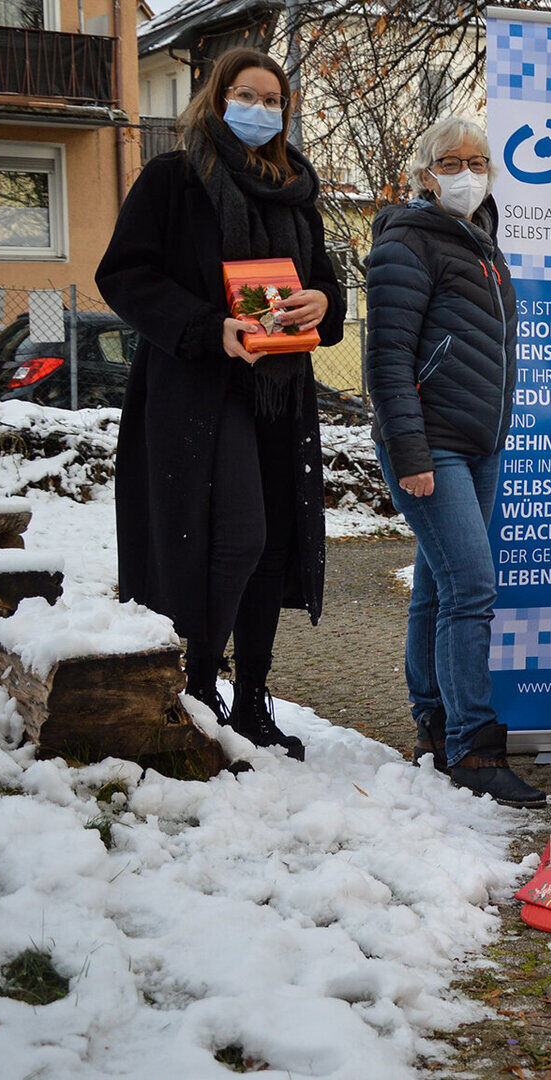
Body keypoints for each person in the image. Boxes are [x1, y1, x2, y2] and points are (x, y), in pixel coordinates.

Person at [97, 47, 344, 758]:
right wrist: (212, 329)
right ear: (216, 98)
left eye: (274, 100)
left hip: (279, 391)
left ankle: (254, 701)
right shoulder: (172, 179)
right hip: (197, 392)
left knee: (274, 545)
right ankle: (199, 687)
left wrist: (322, 301)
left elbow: (327, 291)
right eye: (247, 94)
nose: (261, 110)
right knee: (232, 538)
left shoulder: (297, 190)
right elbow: (125, 274)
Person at [363, 116, 545, 808]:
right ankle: (472, 746)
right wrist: (410, 452)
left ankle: (434, 724)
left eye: (478, 160)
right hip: (429, 442)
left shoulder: (482, 246)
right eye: (451, 161)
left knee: (438, 589)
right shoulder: (407, 243)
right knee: (472, 588)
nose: (467, 173)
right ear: (424, 172)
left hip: (477, 443)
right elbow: (386, 360)